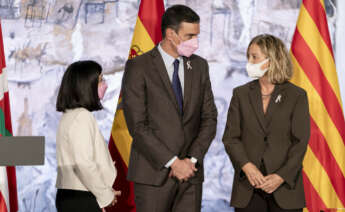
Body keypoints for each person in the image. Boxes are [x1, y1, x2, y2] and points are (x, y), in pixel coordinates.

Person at [121, 5, 217, 212]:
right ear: (170, 34)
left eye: (197, 35)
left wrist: (190, 161)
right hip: (152, 175)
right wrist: (173, 162)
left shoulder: (200, 66)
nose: (195, 42)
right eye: (189, 35)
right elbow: (137, 125)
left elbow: (209, 118)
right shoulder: (138, 67)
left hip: (191, 176)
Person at [222, 34, 310, 212]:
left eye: (254, 57)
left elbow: (300, 142)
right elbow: (231, 138)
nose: (249, 61)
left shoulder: (297, 96)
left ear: (272, 59)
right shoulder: (240, 94)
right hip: (248, 187)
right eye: (248, 56)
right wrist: (247, 166)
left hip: (284, 188)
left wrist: (280, 176)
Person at [55, 60, 121, 212]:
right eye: (100, 80)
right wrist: (105, 196)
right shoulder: (81, 117)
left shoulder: (70, 116)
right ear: (86, 85)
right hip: (82, 197)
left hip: (75, 196)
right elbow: (83, 164)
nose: (105, 84)